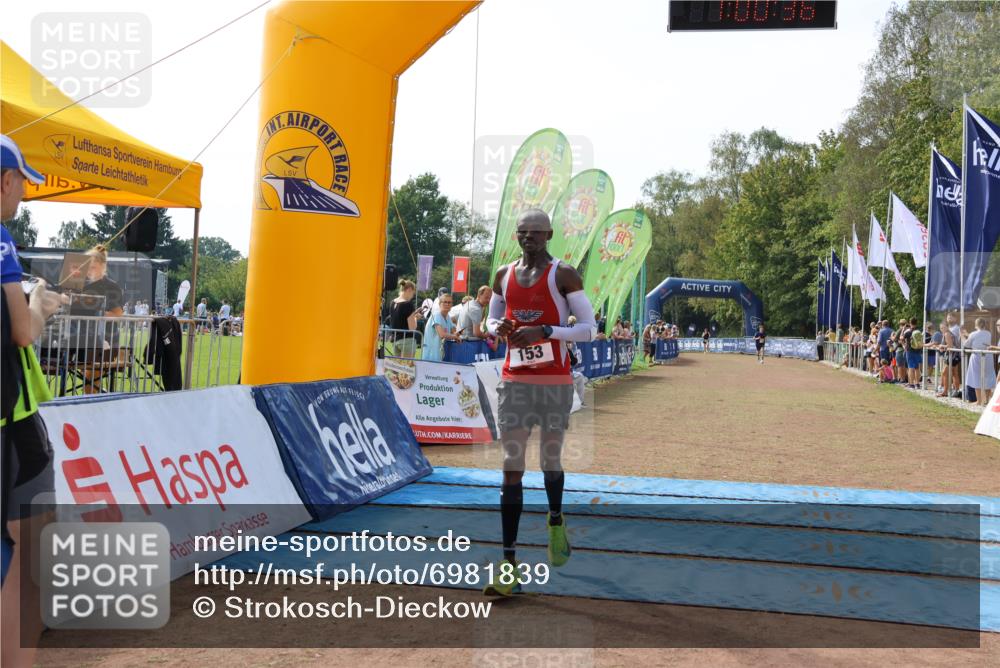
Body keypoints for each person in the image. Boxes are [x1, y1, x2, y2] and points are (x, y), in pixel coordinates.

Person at [482, 208, 596, 596]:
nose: (528, 237)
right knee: (511, 467)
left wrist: (545, 331)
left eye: (535, 232)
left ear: (549, 234)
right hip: (515, 382)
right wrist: (505, 329)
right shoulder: (502, 275)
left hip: (554, 383)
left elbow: (588, 330)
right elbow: (490, 323)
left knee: (550, 463)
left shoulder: (563, 275)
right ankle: (509, 564)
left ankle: (555, 518)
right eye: (522, 232)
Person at [2, 133, 66, 668]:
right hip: (14, 426)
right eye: (21, 182)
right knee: (32, 559)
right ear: (5, 181)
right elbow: (23, 334)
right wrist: (41, 305)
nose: (23, 194)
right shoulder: (1, 241)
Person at [421, 292, 462, 362]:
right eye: (445, 302)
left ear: (452, 305)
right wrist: (455, 337)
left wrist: (457, 335)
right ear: (440, 304)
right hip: (431, 354)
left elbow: (453, 330)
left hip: (440, 353)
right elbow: (442, 334)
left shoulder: (448, 316)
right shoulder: (437, 315)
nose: (447, 304)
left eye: (449, 302)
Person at [966, 318, 995, 406]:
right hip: (988, 356)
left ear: (976, 325)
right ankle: (986, 400)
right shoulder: (988, 333)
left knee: (976, 377)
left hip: (977, 356)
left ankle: (979, 401)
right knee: (988, 376)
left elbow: (967, 345)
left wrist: (964, 336)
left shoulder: (973, 334)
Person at [388, 279, 419, 358]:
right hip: (407, 340)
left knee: (398, 367)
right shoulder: (408, 304)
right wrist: (415, 318)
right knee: (406, 368)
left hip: (396, 340)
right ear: (409, 290)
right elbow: (412, 327)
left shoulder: (393, 302)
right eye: (413, 293)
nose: (412, 296)